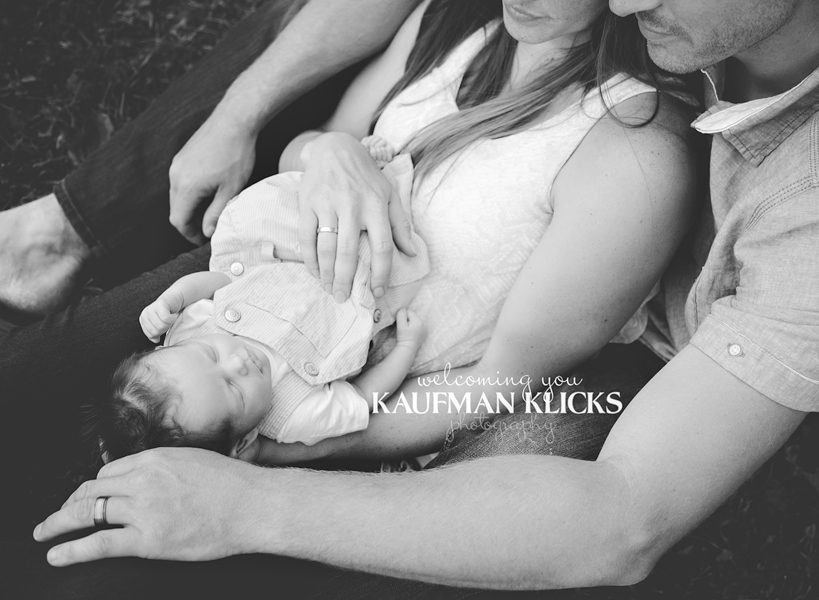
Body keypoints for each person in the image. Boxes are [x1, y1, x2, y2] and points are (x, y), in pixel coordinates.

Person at [2, 0, 699, 596]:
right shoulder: (455, 19)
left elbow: (501, 381)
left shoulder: (632, 151)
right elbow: (321, 140)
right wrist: (329, 153)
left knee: (116, 572)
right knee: (25, 384)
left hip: (382, 403)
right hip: (260, 296)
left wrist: (294, 447)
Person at [98, 151, 429, 461]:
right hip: (367, 284)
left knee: (298, 204)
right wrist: (406, 347)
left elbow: (221, 280)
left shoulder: (189, 332)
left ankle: (373, 162)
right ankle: (402, 189)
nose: (237, 363)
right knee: (409, 228)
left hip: (298, 248)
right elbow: (362, 397)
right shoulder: (295, 418)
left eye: (211, 355)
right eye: (234, 389)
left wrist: (173, 299)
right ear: (244, 440)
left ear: (166, 346)